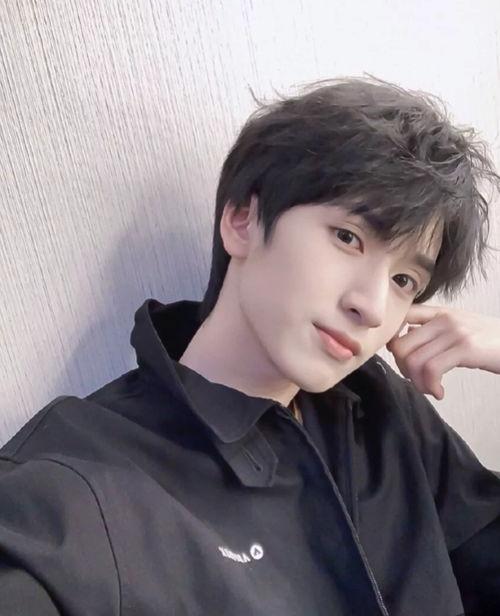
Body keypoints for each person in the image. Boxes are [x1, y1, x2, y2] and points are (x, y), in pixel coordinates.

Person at [1, 75, 500, 615]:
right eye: (348, 237)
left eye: (404, 280)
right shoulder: (76, 482)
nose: (373, 307)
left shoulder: (382, 414)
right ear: (242, 220)